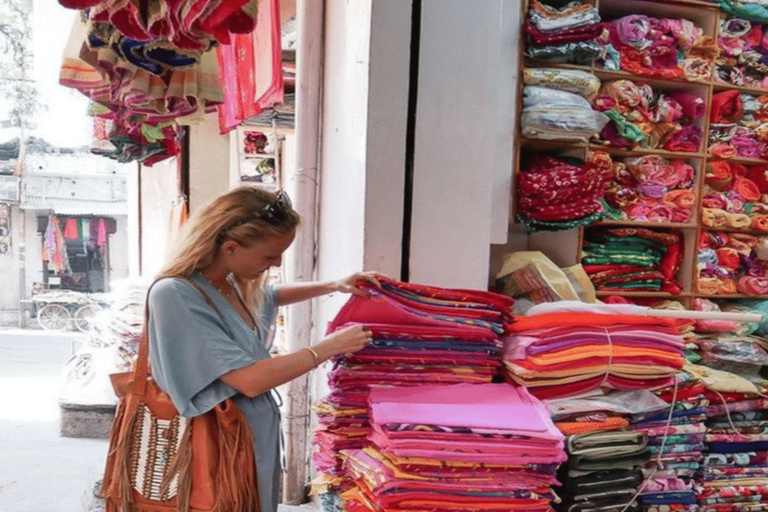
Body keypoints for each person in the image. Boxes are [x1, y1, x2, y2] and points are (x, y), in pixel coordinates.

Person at [146, 186, 376, 512]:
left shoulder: (226, 283)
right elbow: (249, 380)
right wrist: (326, 348)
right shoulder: (176, 294)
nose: (276, 263)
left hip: (249, 439)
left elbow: (272, 295)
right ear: (230, 248)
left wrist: (334, 285)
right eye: (269, 256)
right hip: (216, 443)